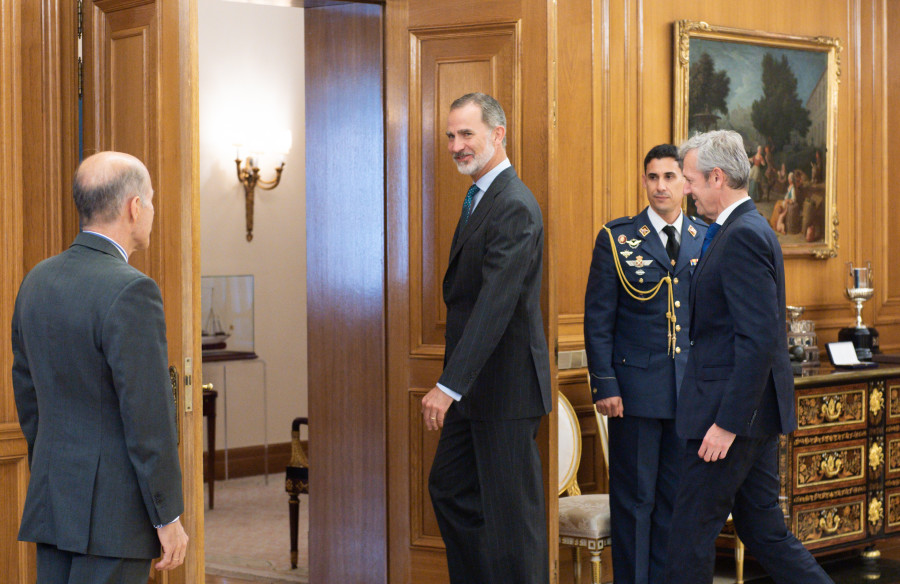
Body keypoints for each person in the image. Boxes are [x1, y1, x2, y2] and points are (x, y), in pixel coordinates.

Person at [12, 151, 189, 583]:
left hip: (54, 503)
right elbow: (147, 417)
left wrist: (57, 475)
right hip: (116, 516)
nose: (151, 210)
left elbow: (28, 395)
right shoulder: (132, 290)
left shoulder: (36, 280)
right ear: (133, 207)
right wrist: (167, 515)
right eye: (150, 200)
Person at [664, 131, 832, 584]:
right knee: (764, 532)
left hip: (730, 419)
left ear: (717, 177)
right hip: (749, 415)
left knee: (688, 537)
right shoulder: (741, 229)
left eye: (691, 179)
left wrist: (726, 424)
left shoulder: (742, 236)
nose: (686, 189)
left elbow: (758, 341)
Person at [420, 92, 552, 584]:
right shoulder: (480, 196)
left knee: (512, 526)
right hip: (472, 390)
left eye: (466, 133)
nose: (456, 144)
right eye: (451, 135)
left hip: (505, 390)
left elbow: (495, 305)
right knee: (451, 490)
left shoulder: (514, 204)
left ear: (498, 134)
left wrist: (448, 385)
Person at [584, 144, 706, 584]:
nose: (660, 186)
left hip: (688, 396)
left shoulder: (703, 237)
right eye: (652, 177)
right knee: (635, 504)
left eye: (669, 177)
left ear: (685, 184)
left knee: (676, 503)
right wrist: (604, 385)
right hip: (633, 396)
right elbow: (599, 319)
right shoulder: (617, 238)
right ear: (644, 181)